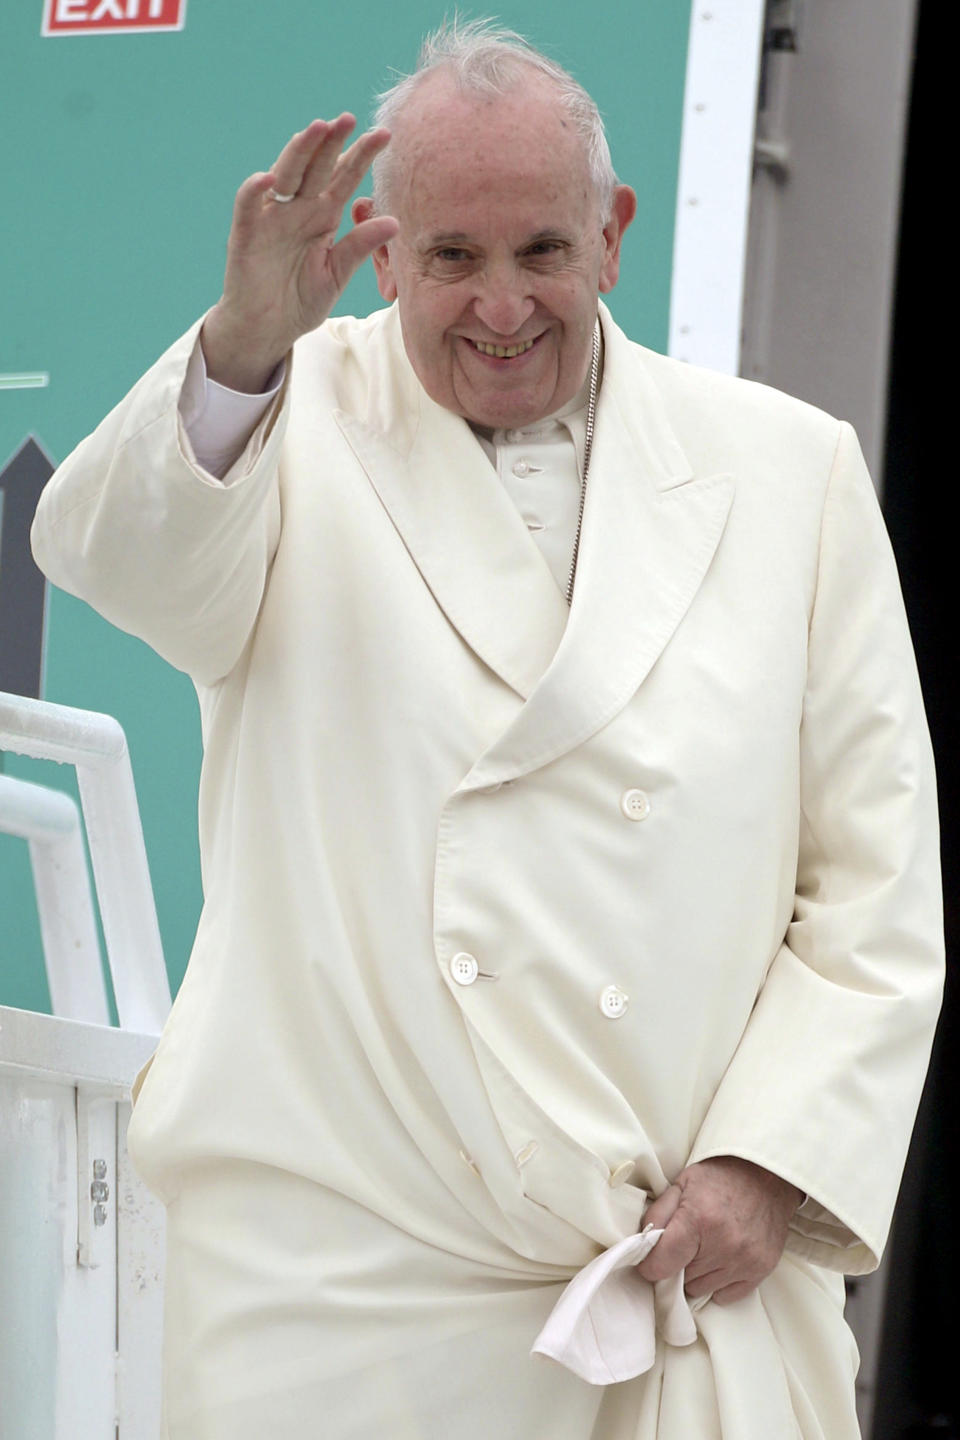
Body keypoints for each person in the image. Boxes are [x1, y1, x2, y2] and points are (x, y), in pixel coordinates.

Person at [31, 19, 942, 1440]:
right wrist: (241, 345)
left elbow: (877, 890)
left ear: (615, 235)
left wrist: (771, 1167)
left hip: (684, 1277)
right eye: (453, 257)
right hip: (340, 1300)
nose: (501, 307)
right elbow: (120, 564)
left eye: (541, 252)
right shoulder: (279, 415)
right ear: (386, 253)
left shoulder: (794, 473)